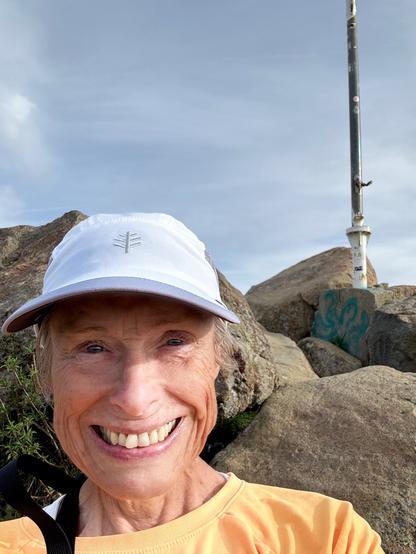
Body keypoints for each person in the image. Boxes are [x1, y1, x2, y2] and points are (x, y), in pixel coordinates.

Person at [0, 213, 384, 553]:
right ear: (45, 370)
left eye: (174, 342)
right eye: (93, 347)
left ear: (218, 359)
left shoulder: (325, 538)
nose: (135, 400)